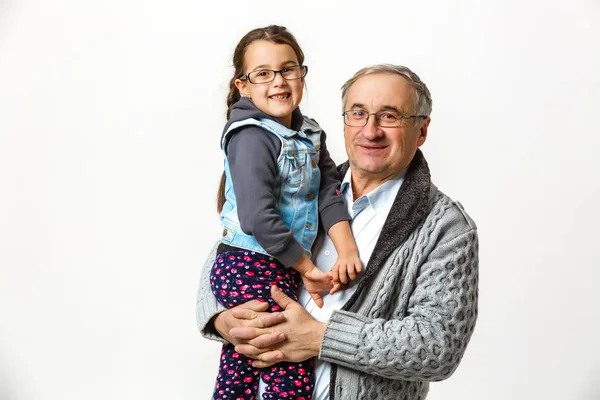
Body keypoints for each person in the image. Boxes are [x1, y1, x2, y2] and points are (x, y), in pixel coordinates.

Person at [197, 63, 479, 400]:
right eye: (358, 113)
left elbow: (437, 345)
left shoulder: (446, 228)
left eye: (389, 116)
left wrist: (319, 337)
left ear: (421, 130)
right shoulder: (303, 184)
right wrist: (220, 318)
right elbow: (232, 249)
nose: (370, 130)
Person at [207, 25, 363, 400]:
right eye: (263, 73)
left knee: (245, 362)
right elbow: (257, 218)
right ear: (242, 85)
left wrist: (346, 250)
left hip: (274, 264)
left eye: (288, 69)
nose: (278, 81)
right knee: (286, 359)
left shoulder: (310, 133)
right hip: (248, 262)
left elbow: (328, 192)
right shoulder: (249, 135)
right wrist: (308, 270)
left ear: (302, 73)